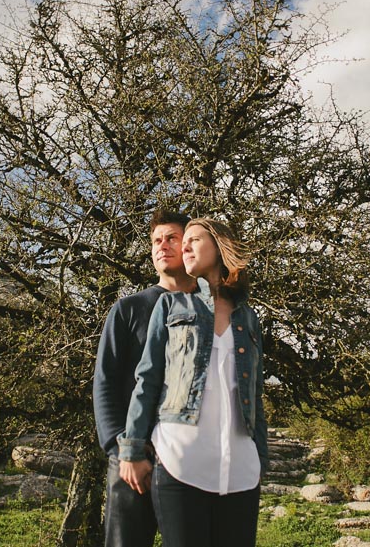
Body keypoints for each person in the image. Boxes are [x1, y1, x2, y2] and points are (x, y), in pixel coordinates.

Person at [118, 218, 268, 547]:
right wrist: (131, 450)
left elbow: (254, 394)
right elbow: (148, 378)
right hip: (181, 461)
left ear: (219, 247)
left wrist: (261, 457)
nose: (183, 247)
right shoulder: (171, 306)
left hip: (240, 469)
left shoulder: (249, 317)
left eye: (193, 240)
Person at [94, 210, 197, 547]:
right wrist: (120, 448)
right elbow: (105, 381)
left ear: (190, 245)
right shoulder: (128, 309)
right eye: (155, 240)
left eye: (171, 238)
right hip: (131, 460)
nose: (161, 246)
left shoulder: (212, 311)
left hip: (189, 459)